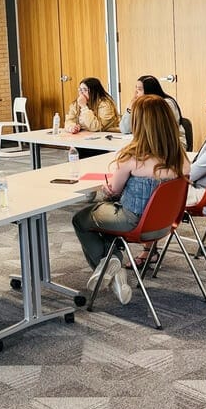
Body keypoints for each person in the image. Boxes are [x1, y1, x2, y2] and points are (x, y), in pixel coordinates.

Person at [72, 95, 189, 305]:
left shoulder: (133, 157)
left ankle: (111, 262)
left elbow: (113, 191)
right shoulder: (179, 157)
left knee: (82, 219)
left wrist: (108, 190)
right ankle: (116, 276)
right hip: (163, 225)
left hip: (132, 220)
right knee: (105, 225)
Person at [120, 75, 186, 147]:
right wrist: (130, 109)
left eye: (139, 89)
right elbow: (125, 129)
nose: (135, 93)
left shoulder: (165, 103)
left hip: (171, 145)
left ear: (149, 90)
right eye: (135, 88)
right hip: (151, 144)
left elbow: (158, 131)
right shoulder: (142, 104)